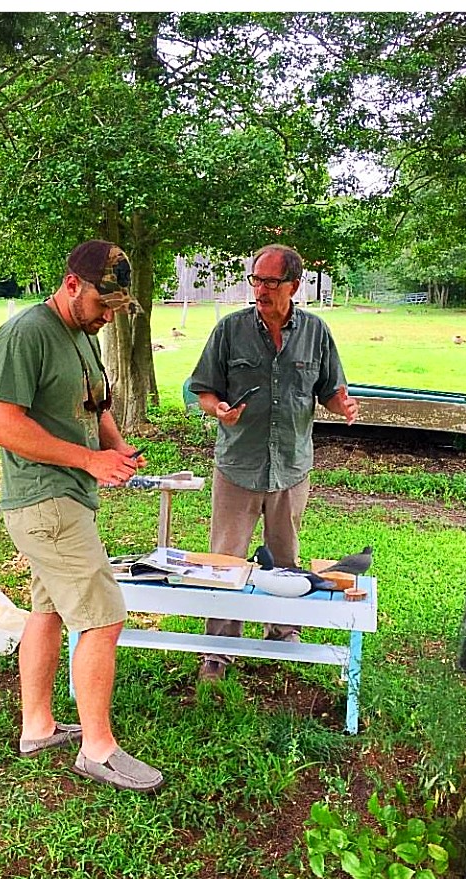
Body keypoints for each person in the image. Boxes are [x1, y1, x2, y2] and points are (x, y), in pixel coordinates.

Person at [0, 239, 164, 792]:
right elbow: (3, 426)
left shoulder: (82, 335)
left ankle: (37, 727)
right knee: (104, 617)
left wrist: (117, 447)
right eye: (102, 304)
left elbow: (96, 405)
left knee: (49, 610)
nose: (107, 315)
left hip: (67, 497)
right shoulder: (27, 333)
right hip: (45, 500)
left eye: (115, 307)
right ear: (70, 285)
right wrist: (89, 459)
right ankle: (98, 749)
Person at [188, 244, 359, 682]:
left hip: (291, 466)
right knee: (225, 562)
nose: (260, 290)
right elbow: (202, 389)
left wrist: (341, 404)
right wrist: (218, 409)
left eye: (270, 282)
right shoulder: (230, 330)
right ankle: (219, 651)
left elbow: (330, 389)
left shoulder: (316, 332)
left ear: (294, 286)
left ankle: (283, 631)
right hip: (238, 466)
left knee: (286, 556)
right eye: (256, 280)